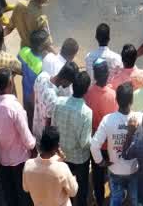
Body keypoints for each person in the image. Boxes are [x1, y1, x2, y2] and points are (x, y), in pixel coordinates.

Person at [0, 67, 35, 206]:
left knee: (9, 192)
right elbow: (27, 138)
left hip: (2, 158)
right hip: (19, 159)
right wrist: (34, 148)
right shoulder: (15, 108)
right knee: (23, 193)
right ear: (10, 84)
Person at [90, 82, 142, 206]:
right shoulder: (140, 118)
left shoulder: (108, 120)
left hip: (115, 169)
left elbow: (94, 146)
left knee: (115, 200)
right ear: (132, 100)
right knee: (135, 200)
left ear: (117, 100)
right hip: (134, 168)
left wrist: (101, 162)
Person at [50, 70, 92, 206]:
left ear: (72, 86)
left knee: (63, 186)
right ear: (86, 90)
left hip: (61, 155)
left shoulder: (58, 102)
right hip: (79, 159)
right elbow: (84, 143)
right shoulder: (86, 112)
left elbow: (53, 128)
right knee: (81, 187)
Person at [84, 60, 117, 206]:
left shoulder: (88, 93)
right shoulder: (113, 95)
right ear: (107, 74)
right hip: (109, 144)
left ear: (95, 76)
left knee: (97, 177)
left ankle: (99, 201)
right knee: (113, 174)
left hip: (94, 143)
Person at [23, 126, 79, 206]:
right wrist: (73, 178)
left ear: (41, 144)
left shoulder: (28, 165)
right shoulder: (62, 168)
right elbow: (73, 192)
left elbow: (26, 188)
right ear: (57, 146)